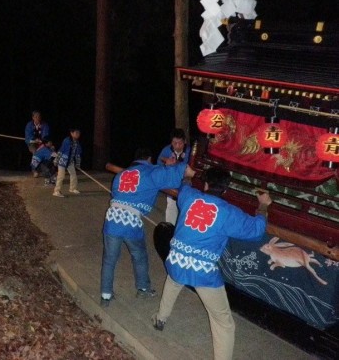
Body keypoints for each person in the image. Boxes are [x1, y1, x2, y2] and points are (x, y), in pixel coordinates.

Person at [152, 167, 270, 360]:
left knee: (173, 282)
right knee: (224, 322)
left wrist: (189, 176)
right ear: (225, 189)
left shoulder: (189, 196)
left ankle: (160, 319)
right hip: (202, 271)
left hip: (175, 259)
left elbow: (185, 186)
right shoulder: (229, 212)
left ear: (206, 184)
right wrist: (263, 206)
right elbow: (257, 230)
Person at [100, 148, 196, 307]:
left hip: (111, 217)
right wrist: (175, 166)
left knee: (110, 259)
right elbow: (176, 176)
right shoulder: (151, 172)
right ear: (149, 159)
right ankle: (143, 288)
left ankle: (105, 294)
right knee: (139, 255)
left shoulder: (121, 175)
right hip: (131, 220)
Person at [158, 128, 192, 225]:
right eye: (174, 143)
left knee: (185, 210)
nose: (177, 146)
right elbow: (158, 166)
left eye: (180, 143)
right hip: (171, 186)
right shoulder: (166, 150)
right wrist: (166, 165)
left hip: (186, 186)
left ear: (185, 141)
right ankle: (168, 229)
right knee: (171, 208)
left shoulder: (190, 152)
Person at [52, 128, 82, 198]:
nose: (78, 134)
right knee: (61, 176)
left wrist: (78, 164)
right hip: (63, 161)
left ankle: (72, 188)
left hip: (70, 162)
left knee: (73, 175)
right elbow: (61, 150)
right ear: (71, 133)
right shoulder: (67, 140)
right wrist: (56, 160)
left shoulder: (77, 143)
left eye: (79, 133)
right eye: (76, 133)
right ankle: (56, 191)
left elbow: (78, 154)